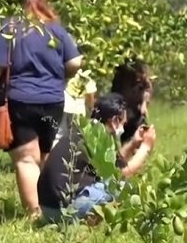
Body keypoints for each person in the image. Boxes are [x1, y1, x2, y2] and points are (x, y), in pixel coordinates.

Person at [0, 0, 83, 220]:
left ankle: (35, 215)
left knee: (26, 160)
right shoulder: (56, 30)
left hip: (20, 100)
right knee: (45, 156)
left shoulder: (10, 28)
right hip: (53, 101)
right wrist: (60, 75)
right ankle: (53, 209)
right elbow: (75, 62)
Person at [38, 93, 157, 224]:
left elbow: (116, 164)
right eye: (123, 122)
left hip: (48, 209)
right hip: (64, 211)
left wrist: (134, 142)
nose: (123, 127)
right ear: (114, 121)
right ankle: (86, 223)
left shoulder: (88, 130)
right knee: (122, 186)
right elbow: (124, 172)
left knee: (108, 181)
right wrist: (146, 146)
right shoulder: (99, 137)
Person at [110, 59, 154, 145]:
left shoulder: (142, 74)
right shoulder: (121, 76)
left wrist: (144, 103)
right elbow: (116, 95)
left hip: (136, 115)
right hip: (123, 115)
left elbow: (148, 89)